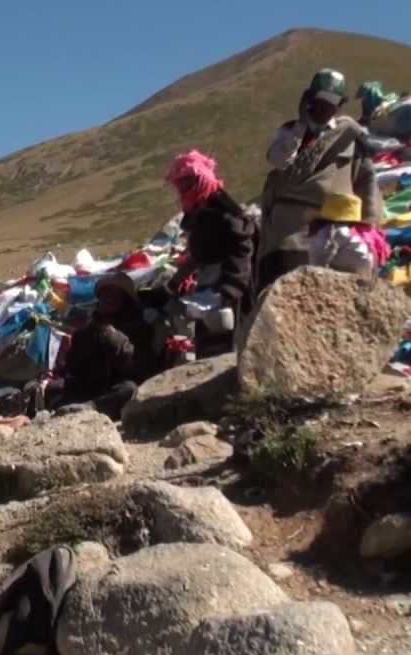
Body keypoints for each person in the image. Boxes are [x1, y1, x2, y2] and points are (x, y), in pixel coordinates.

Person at [261, 68, 383, 292]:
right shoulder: (289, 132)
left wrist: (369, 226)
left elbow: (366, 181)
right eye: (322, 100)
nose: (327, 107)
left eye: (334, 101)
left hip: (331, 234)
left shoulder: (350, 136)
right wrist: (300, 128)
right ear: (309, 100)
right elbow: (279, 162)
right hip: (287, 235)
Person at [164, 150, 256, 359]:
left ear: (201, 179)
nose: (182, 189)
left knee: (226, 346)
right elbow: (202, 253)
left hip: (226, 288)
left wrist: (227, 290)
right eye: (180, 184)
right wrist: (179, 277)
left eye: (187, 182)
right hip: (207, 287)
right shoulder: (201, 211)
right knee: (207, 346)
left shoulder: (225, 213)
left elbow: (241, 251)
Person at [49, 273, 154, 419]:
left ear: (125, 300)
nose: (109, 299)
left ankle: (90, 408)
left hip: (114, 389)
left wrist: (108, 334)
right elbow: (73, 366)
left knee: (129, 389)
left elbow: (136, 366)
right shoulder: (90, 325)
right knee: (50, 387)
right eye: (106, 295)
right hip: (89, 386)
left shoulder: (138, 326)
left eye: (115, 295)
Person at [307, 192, 391, 275]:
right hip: (367, 270)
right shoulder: (363, 231)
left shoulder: (334, 229)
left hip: (349, 271)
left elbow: (318, 256)